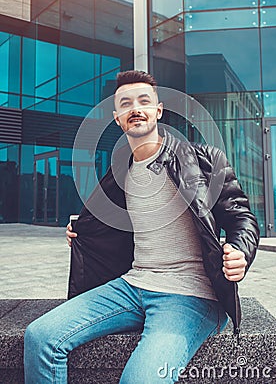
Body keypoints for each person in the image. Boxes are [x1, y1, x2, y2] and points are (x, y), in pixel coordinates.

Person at [24, 70, 259, 384]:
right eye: (126, 104)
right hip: (132, 286)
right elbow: (102, 225)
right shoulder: (119, 174)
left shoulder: (205, 161)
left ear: (158, 111)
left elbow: (241, 217)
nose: (135, 108)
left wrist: (241, 252)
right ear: (118, 118)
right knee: (40, 337)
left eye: (143, 101)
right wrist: (80, 236)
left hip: (192, 295)